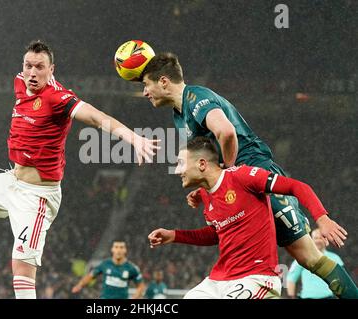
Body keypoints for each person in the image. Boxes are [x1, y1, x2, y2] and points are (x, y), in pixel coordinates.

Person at [0, 40, 159, 299]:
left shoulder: (58, 98)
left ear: (52, 70)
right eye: (28, 66)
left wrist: (134, 138)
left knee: (22, 268)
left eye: (40, 67)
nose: (33, 73)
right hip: (12, 180)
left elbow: (96, 117)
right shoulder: (21, 83)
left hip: (36, 196)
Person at [140, 52, 357, 298]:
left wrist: (226, 177)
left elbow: (226, 132)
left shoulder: (196, 98)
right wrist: (207, 187)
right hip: (236, 185)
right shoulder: (179, 115)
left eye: (147, 84)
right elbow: (207, 159)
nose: (145, 92)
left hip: (256, 174)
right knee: (305, 260)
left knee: (309, 258)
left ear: (164, 81)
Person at [148, 137, 348, 299]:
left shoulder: (242, 177)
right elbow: (216, 234)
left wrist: (322, 219)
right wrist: (174, 235)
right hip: (218, 280)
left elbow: (297, 186)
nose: (177, 170)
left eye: (181, 163)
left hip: (256, 277)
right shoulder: (206, 195)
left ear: (202, 164)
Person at [71, 240, 145, 299]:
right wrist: (79, 285)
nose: (118, 250)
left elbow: (140, 286)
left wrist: (135, 297)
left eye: (121, 247)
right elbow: (91, 275)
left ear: (125, 250)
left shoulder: (132, 268)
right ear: (112, 249)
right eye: (116, 247)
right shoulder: (105, 264)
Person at [286, 228, 347, 299]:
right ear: (311, 240)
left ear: (326, 240)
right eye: (315, 238)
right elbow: (291, 279)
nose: (318, 240)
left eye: (320, 238)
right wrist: (291, 297)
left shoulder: (335, 258)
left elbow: (343, 281)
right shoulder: (303, 257)